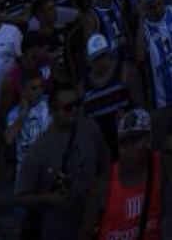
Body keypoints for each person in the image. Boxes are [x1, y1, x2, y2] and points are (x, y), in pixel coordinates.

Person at [14, 83, 110, 240]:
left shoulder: (91, 129)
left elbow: (105, 166)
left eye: (77, 104)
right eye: (67, 107)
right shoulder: (39, 150)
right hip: (57, 230)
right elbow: (20, 197)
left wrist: (100, 202)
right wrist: (49, 198)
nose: (74, 110)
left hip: (93, 224)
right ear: (52, 112)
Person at [79, 108, 172, 239]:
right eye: (124, 143)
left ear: (148, 140)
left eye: (135, 141)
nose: (129, 149)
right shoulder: (104, 184)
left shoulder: (163, 165)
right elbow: (86, 232)